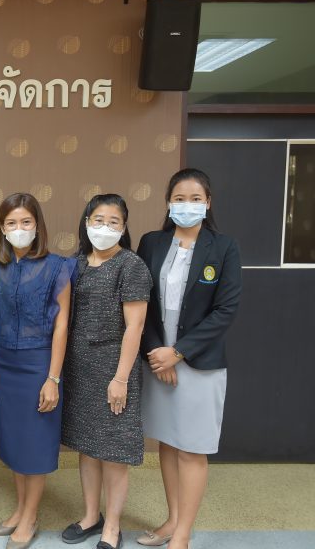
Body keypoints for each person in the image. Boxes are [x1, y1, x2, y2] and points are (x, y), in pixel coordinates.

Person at [135, 169, 242, 549]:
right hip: (157, 362)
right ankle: (171, 520)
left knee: (192, 449)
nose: (187, 205)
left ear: (208, 202)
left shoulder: (224, 247)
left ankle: (183, 534)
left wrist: (178, 353)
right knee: (168, 442)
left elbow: (225, 310)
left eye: (195, 198)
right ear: (168, 202)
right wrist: (157, 355)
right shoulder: (152, 242)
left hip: (198, 364)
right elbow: (141, 303)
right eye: (179, 198)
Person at [0, 193, 74, 549]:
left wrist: (53, 378)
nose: (19, 229)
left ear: (38, 226)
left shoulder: (58, 267)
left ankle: (31, 516)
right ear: (2, 229)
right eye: (11, 223)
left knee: (34, 445)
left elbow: (62, 326)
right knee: (14, 442)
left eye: (26, 222)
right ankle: (20, 509)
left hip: (39, 365)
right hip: (4, 364)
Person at [60, 194, 152, 549]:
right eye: (98, 220)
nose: (105, 227)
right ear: (86, 222)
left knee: (113, 452)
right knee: (87, 447)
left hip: (115, 369)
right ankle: (90, 516)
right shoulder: (75, 264)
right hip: (79, 368)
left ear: (124, 227)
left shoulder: (131, 265)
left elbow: (135, 326)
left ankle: (112, 526)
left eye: (114, 222)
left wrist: (120, 378)